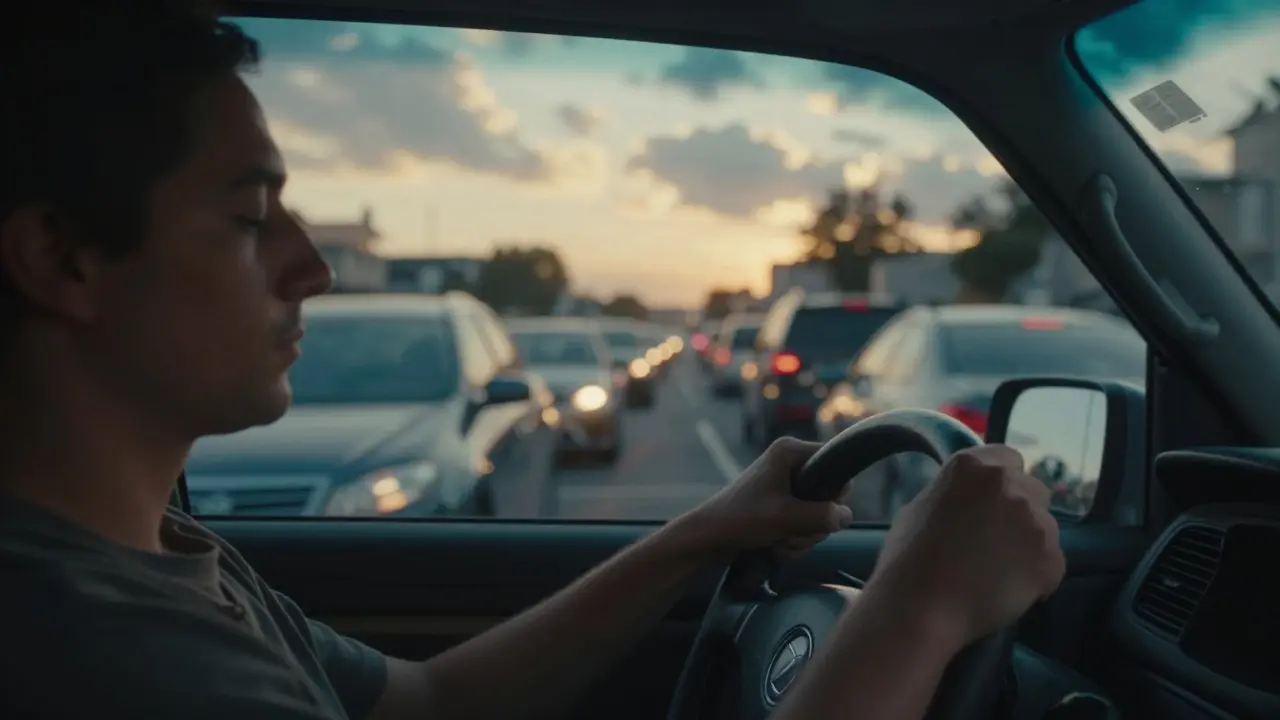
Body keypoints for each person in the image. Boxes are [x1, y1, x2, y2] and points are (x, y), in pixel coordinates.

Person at [0, 3, 1065, 719]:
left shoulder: (163, 561)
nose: (312, 267)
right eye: (247, 218)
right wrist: (917, 611)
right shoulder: (108, 654)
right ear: (62, 257)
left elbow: (428, 701)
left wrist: (707, 532)